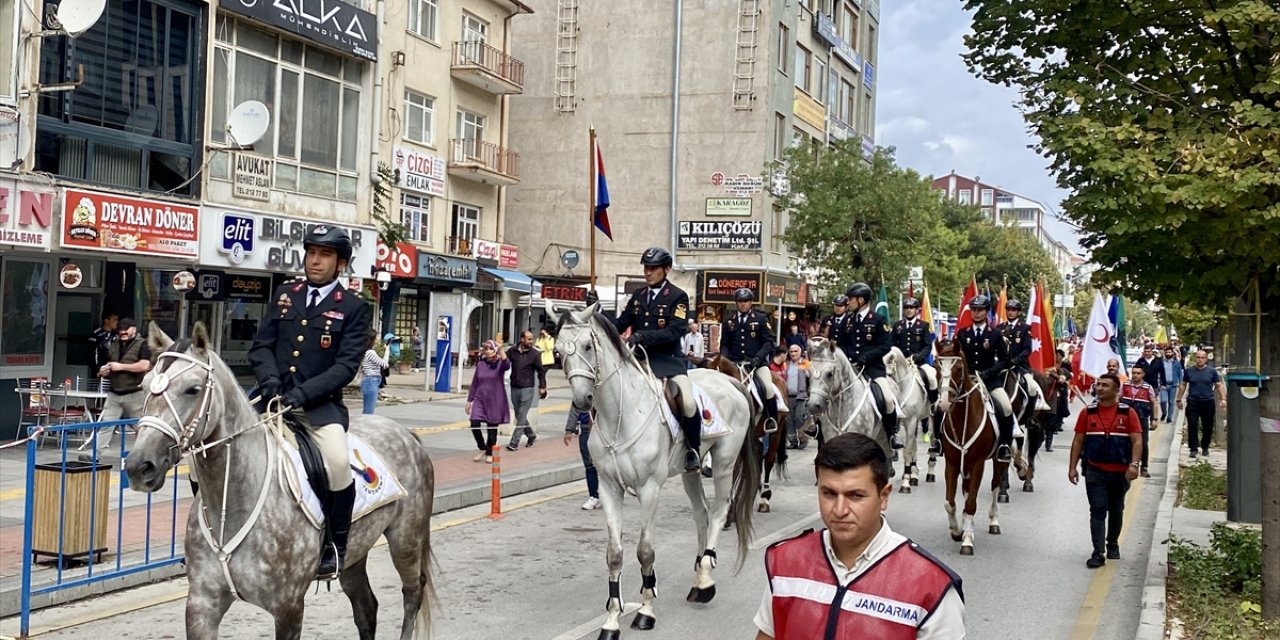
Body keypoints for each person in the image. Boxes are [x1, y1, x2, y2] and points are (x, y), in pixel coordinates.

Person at [754, 432, 965, 639]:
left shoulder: (932, 585)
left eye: (855, 496)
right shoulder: (786, 561)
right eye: (829, 493)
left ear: (884, 496)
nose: (839, 509)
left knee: (886, 403)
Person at [249, 225, 370, 580]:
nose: (315, 261)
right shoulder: (286, 294)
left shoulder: (352, 307)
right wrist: (270, 382)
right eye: (311, 253)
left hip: (318, 408)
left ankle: (336, 545)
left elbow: (346, 366)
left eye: (325, 255)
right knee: (209, 454)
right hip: (271, 401)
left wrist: (302, 393)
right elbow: (262, 346)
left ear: (341, 264)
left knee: (335, 462)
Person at [614, 247, 701, 471]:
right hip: (638, 362)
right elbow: (620, 324)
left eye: (653, 268)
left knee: (688, 402)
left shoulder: (678, 297)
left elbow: (675, 331)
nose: (648, 272)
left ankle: (693, 449)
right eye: (646, 268)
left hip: (668, 361)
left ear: (667, 269)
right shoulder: (638, 296)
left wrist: (643, 336)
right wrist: (595, 315)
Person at [1068, 373, 1143, 568]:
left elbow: (1137, 440)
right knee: (1098, 509)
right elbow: (1077, 441)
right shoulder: (1088, 413)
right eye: (1098, 385)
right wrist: (1072, 468)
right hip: (1095, 470)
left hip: (1120, 472)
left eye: (1105, 385)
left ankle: (1112, 544)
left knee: (1116, 509)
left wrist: (1134, 465)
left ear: (1116, 390)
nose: (1100, 388)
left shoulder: (1128, 413)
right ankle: (1098, 552)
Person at [839, 282, 902, 449]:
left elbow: (885, 346)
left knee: (888, 399)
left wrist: (865, 358)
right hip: (851, 368)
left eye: (851, 300)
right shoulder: (848, 320)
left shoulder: (878, 320)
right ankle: (818, 427)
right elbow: (841, 344)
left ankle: (892, 434)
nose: (848, 303)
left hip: (873, 369)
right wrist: (848, 358)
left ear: (861, 300)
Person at [955, 295, 1016, 462]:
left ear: (987, 312)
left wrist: (987, 373)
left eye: (980, 310)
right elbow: (958, 358)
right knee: (943, 405)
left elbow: (1004, 361)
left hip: (989, 381)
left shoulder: (995, 334)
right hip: (967, 380)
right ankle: (938, 440)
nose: (976, 313)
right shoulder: (962, 333)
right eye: (973, 310)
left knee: (1006, 407)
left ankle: (1004, 445)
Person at [82, 317, 151, 457]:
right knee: (106, 424)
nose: (123, 334)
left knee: (141, 427)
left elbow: (145, 365)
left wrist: (122, 367)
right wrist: (104, 370)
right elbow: (110, 361)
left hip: (135, 394)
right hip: (114, 393)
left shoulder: (143, 344)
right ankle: (95, 454)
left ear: (134, 329)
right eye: (121, 331)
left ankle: (144, 455)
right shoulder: (114, 343)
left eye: (126, 331)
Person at [722, 287, 783, 433]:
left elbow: (769, 342)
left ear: (751, 302)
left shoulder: (761, 319)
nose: (743, 304)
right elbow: (724, 344)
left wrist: (758, 357)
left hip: (756, 363)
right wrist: (725, 360)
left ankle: (771, 418)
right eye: (740, 301)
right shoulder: (729, 321)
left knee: (767, 388)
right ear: (736, 303)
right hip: (735, 364)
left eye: (746, 301)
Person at [892, 297, 940, 453]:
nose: (908, 310)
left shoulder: (923, 326)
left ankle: (933, 405)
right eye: (906, 307)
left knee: (932, 378)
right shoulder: (897, 326)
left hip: (918, 363)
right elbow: (892, 345)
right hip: (900, 365)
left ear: (917, 310)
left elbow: (927, 345)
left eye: (911, 308)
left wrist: (918, 357)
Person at [997, 300, 1050, 412]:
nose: (1010, 312)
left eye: (1013, 310)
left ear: (1018, 312)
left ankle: (1032, 411)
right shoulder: (999, 328)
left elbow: (1027, 349)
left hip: (1019, 366)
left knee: (1031, 386)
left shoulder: (1025, 328)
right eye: (1008, 309)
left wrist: (1015, 361)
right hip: (1001, 366)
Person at [1176, 349, 1227, 460]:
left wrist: (1223, 399)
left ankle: (1205, 447)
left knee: (1208, 426)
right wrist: (1179, 399)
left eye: (1202, 358)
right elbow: (1183, 385)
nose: (1200, 360)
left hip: (1208, 401)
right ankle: (1193, 448)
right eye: (1198, 357)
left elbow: (1219, 385)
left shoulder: (1212, 372)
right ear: (1195, 358)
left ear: (1206, 359)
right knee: (1192, 425)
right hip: (1193, 401)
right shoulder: (1189, 371)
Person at [467, 340, 510, 463]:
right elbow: (475, 383)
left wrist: (501, 350)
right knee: (474, 423)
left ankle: (490, 451)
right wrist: (469, 400)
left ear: (494, 350)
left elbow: (507, 365)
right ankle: (482, 447)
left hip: (495, 398)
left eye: (490, 348)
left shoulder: (500, 364)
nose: (487, 351)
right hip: (480, 398)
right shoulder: (481, 364)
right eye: (485, 349)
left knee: (492, 426)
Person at [506, 330, 548, 451]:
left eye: (532, 339)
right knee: (520, 416)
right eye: (528, 339)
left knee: (522, 415)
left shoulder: (535, 354)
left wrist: (542, 386)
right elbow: (503, 360)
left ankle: (514, 442)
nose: (531, 341)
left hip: (528, 388)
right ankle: (531, 435)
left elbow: (541, 371)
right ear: (522, 339)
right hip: (514, 386)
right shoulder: (512, 351)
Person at [1120, 366, 1160, 477]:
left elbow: (1154, 404)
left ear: (1143, 374)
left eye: (1138, 373)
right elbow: (1117, 399)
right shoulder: (1125, 385)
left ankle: (1144, 467)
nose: (1135, 375)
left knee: (1142, 443)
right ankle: (1126, 465)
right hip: (1125, 420)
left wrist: (1154, 419)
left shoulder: (1148, 388)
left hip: (1141, 419)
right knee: (1124, 442)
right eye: (1133, 373)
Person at [564, 408, 600, 510]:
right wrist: (569, 430)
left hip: (602, 429)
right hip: (585, 429)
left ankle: (610, 492)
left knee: (606, 464)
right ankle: (594, 496)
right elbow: (575, 409)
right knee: (589, 464)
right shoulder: (580, 394)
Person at [1043, 346, 1074, 452]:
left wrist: (1055, 374)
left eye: (1058, 356)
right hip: (1040, 399)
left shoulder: (1059, 369)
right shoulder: (1041, 367)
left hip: (1052, 400)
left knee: (1051, 424)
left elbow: (1065, 377)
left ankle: (1048, 444)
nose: (1056, 357)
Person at [779, 345, 810, 450]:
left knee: (799, 417)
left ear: (800, 352)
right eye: (791, 351)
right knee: (789, 420)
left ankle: (803, 438)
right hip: (788, 396)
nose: (793, 353)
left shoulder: (806, 363)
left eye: (795, 351)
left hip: (801, 396)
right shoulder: (785, 364)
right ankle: (793, 441)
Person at [359, 333, 391, 415]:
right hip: (371, 380)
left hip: (370, 380)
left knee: (368, 409)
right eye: (377, 337)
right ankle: (365, 426)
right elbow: (384, 364)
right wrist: (387, 350)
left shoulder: (366, 351)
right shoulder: (370, 352)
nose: (379, 338)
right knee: (369, 410)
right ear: (373, 339)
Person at [88, 311, 118, 381]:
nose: (117, 322)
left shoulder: (116, 335)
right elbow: (91, 353)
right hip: (99, 371)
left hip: (113, 370)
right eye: (114, 319)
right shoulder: (96, 334)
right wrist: (97, 370)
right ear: (106, 321)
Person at [1156, 346, 1183, 424]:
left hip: (1173, 385)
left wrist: (1180, 383)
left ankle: (1169, 417)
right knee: (1163, 401)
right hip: (1163, 385)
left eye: (1170, 352)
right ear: (1165, 353)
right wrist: (1160, 383)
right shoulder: (1161, 362)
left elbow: (1180, 374)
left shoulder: (1177, 363)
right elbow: (1158, 374)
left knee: (1171, 402)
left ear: (1172, 353)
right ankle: (1164, 413)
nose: (1168, 353)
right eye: (1167, 352)